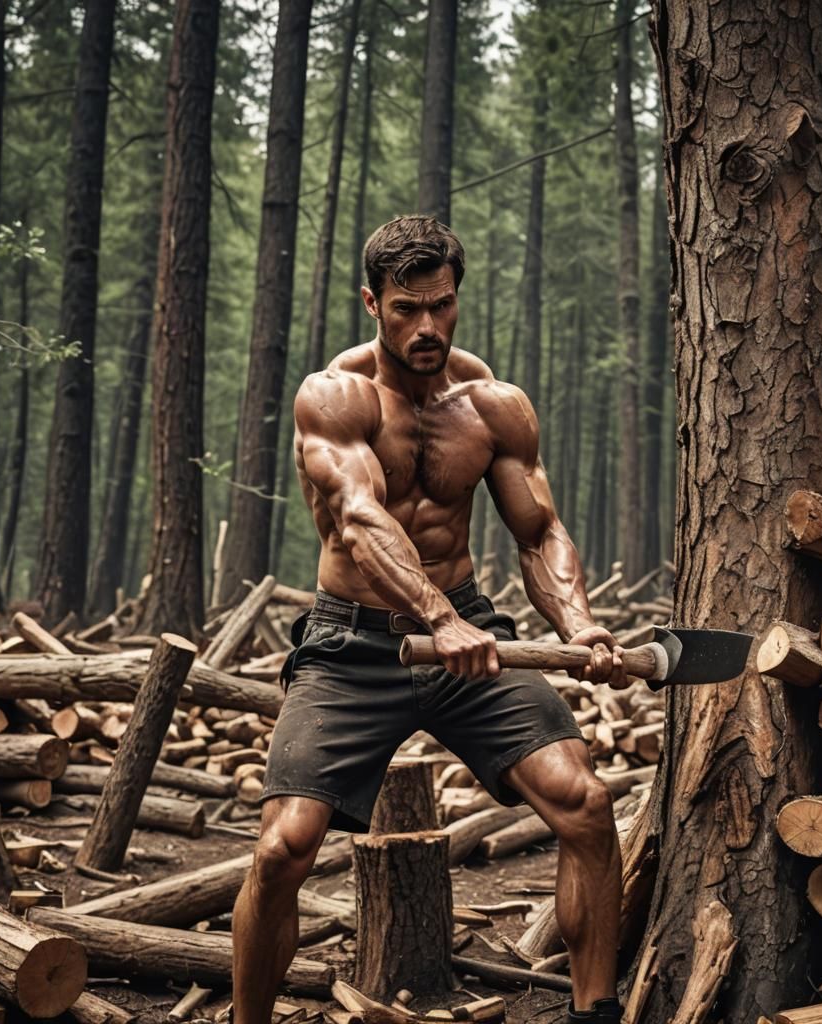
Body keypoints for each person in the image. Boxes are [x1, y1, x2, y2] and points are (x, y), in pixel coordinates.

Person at [232, 215, 628, 1024]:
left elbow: (539, 532)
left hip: (469, 642)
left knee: (584, 806)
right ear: (371, 302)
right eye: (406, 309)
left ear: (456, 298)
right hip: (352, 646)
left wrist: (579, 627)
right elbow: (358, 519)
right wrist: (437, 617)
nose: (426, 327)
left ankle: (596, 1013)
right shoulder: (334, 395)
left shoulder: (493, 405)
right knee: (281, 851)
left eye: (440, 306)